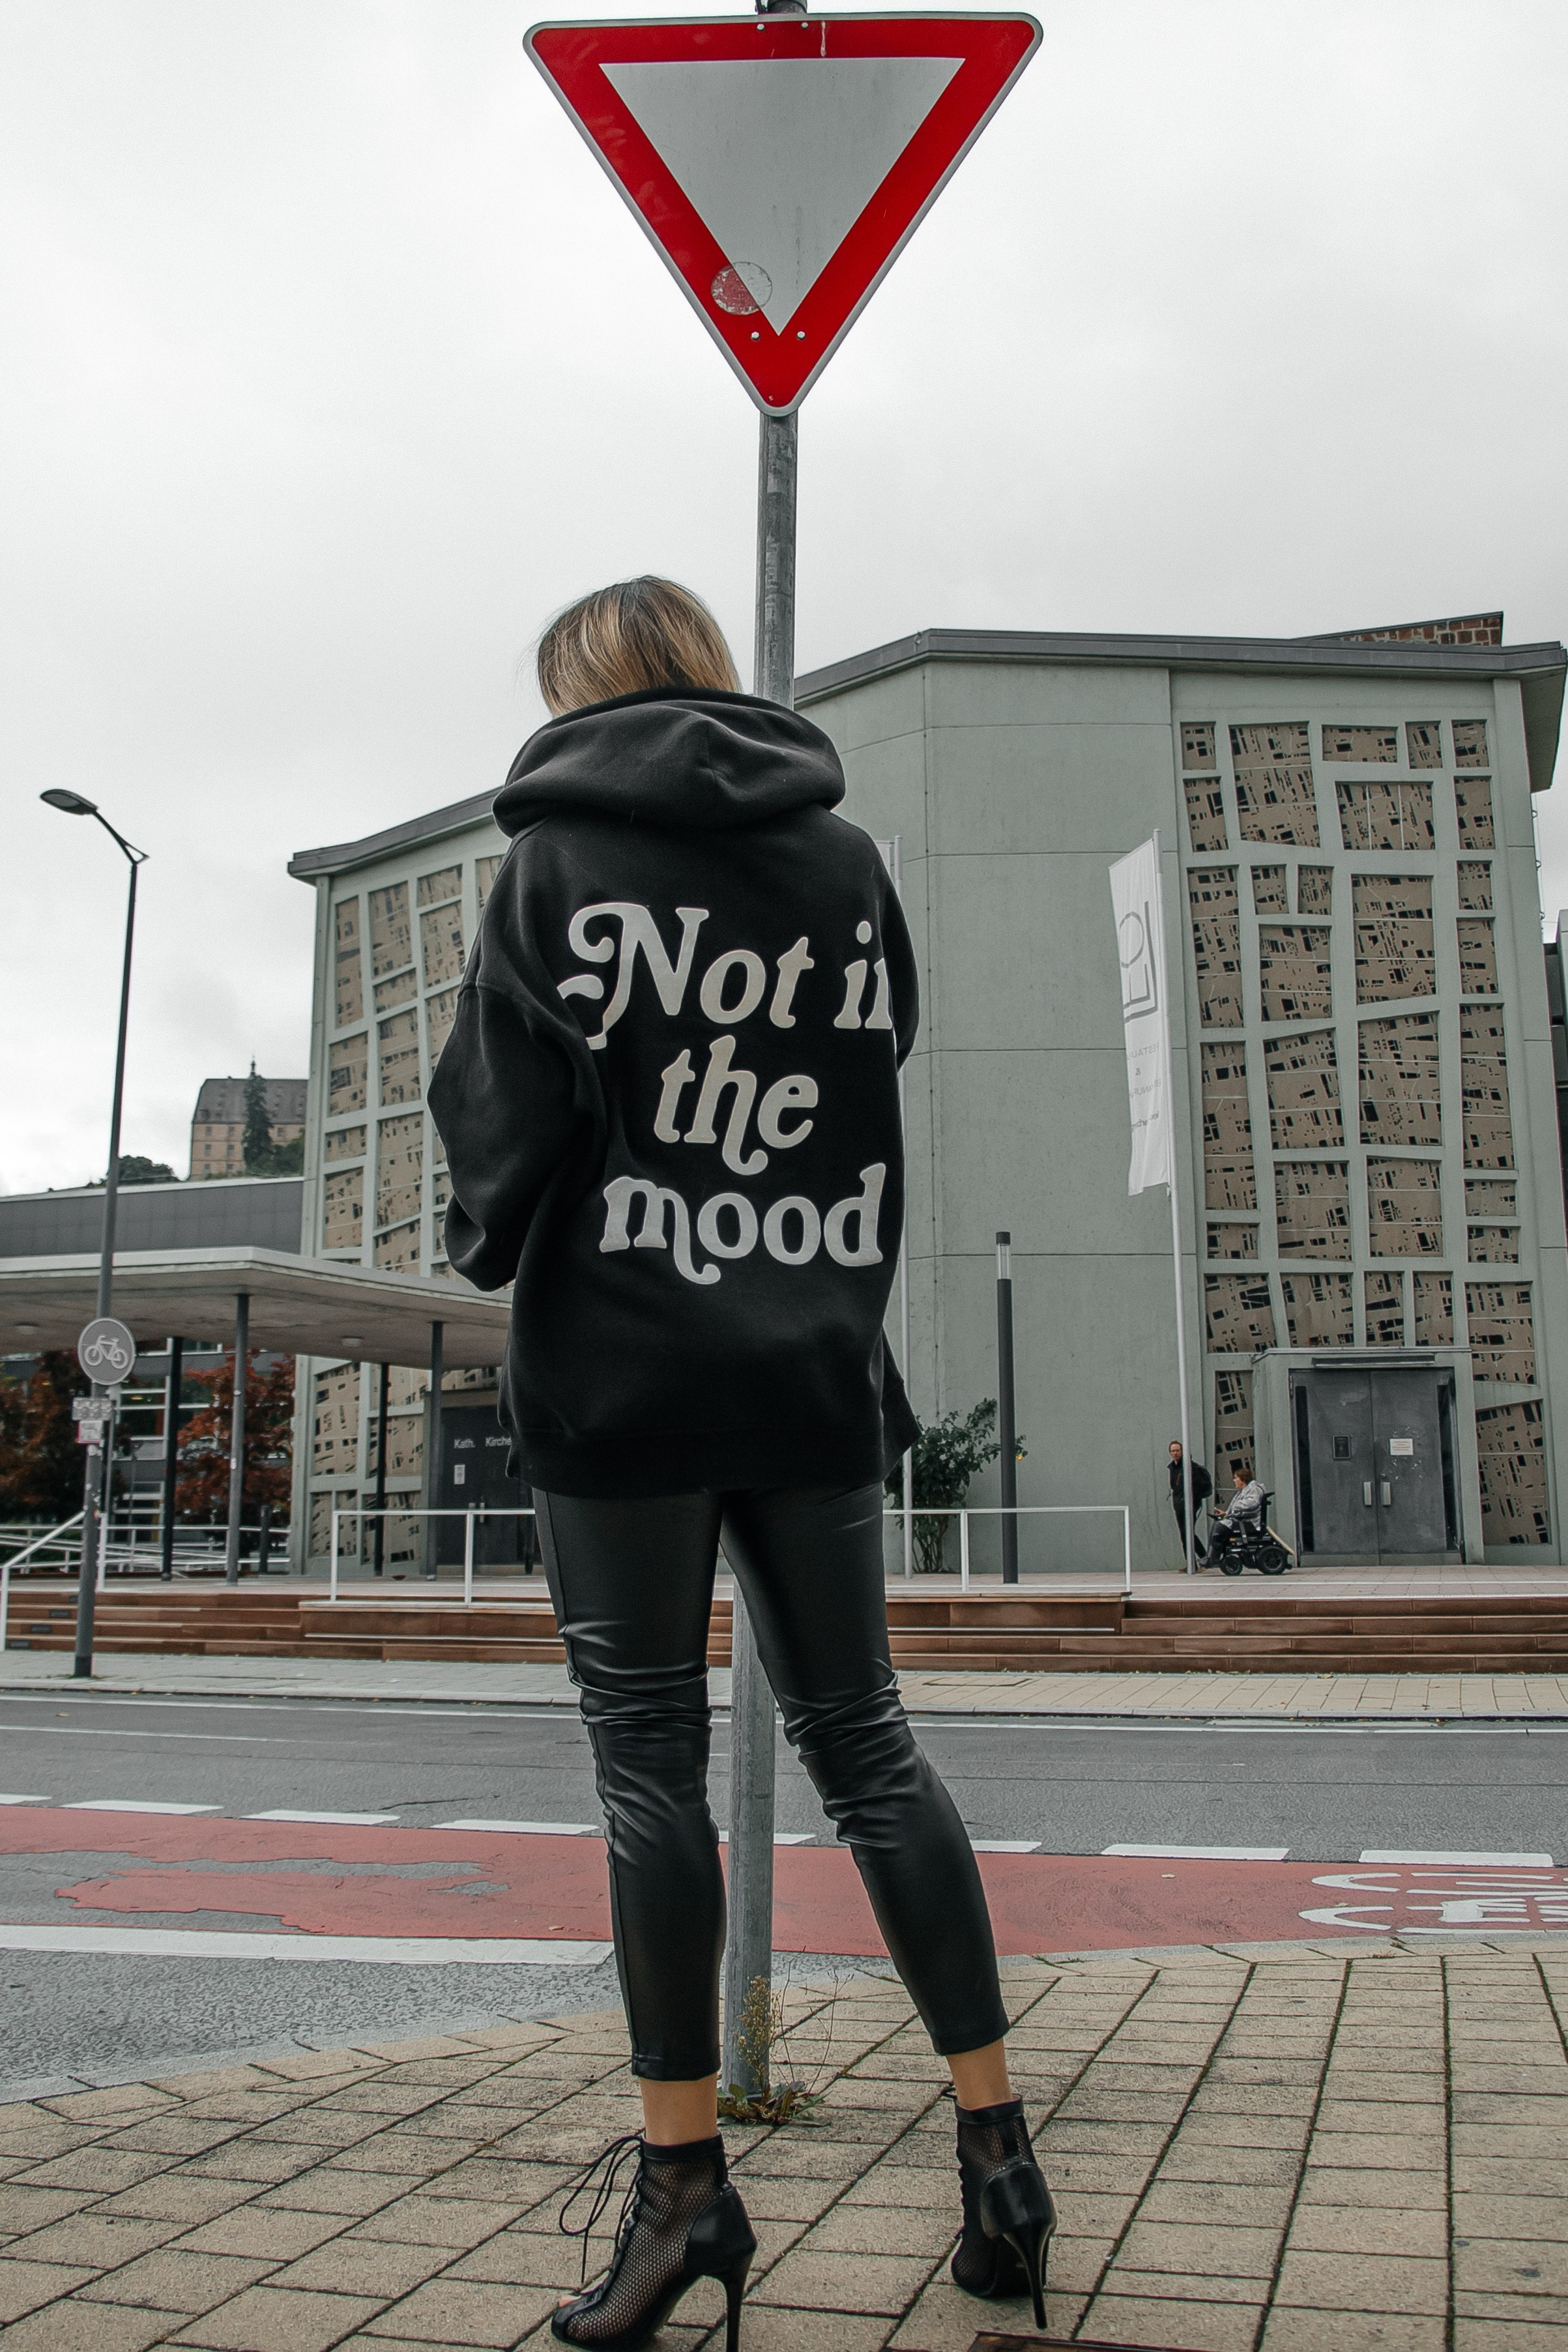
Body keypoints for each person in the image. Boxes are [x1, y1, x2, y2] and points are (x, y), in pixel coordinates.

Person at [429, 577, 1055, 2351]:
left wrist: (501, 1223)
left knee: (647, 1764)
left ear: (580, 696)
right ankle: (996, 2152)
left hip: (623, 1376)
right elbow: (878, 1060)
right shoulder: (842, 864)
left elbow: (500, 1126)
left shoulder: (548, 869)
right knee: (866, 1744)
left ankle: (684, 2190)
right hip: (806, 1364)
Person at [1206, 1460, 1266, 1569]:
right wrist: (1226, 1514)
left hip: (1249, 1524)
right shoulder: (1244, 1490)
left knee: (1219, 1527)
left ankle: (1213, 1559)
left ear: (1243, 1480)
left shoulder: (1254, 1488)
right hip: (1244, 1521)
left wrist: (1236, 1507)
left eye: (1236, 1478)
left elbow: (1253, 1503)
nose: (1234, 1480)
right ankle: (1211, 1557)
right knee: (1218, 1524)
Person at [1166, 1439, 1212, 1570]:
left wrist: (1193, 1500)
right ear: (1170, 1452)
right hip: (1180, 1506)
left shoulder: (1189, 1466)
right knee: (1184, 1534)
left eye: (1178, 1450)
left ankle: (1201, 1560)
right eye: (1173, 1451)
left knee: (1188, 1533)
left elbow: (1196, 1485)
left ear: (1182, 1451)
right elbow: (1175, 1487)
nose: (1175, 1453)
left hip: (1190, 1504)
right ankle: (1195, 1562)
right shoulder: (1173, 1468)